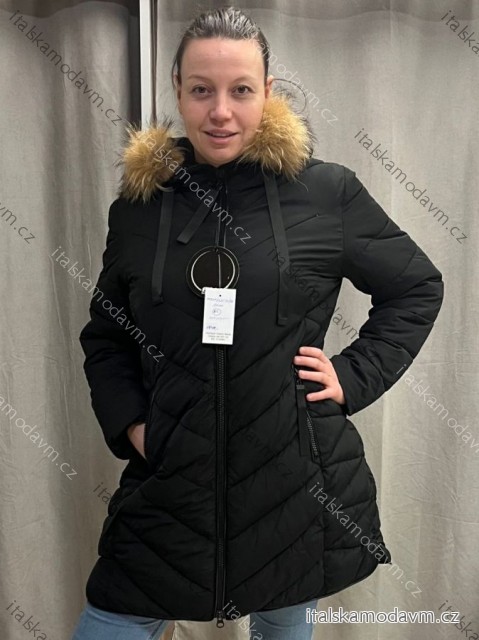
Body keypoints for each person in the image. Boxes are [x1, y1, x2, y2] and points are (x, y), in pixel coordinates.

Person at [71, 6, 444, 640]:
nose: (221, 111)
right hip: (171, 487)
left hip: (295, 488)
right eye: (201, 90)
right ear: (177, 90)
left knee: (283, 623)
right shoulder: (141, 207)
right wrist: (133, 424)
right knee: (111, 621)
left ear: (267, 91)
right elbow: (106, 335)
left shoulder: (326, 193)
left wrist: (352, 376)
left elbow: (416, 287)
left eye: (240, 90)